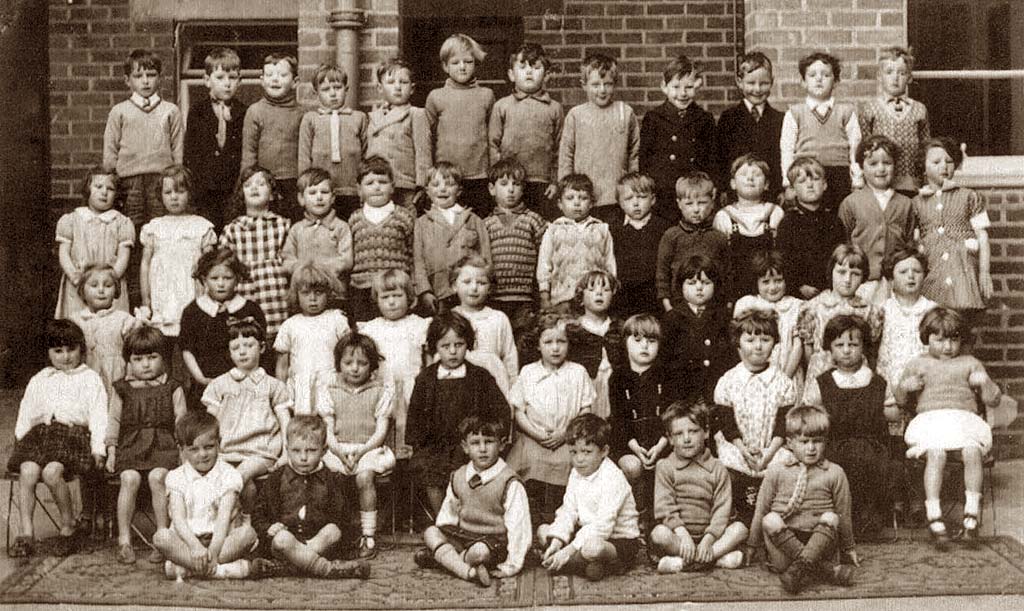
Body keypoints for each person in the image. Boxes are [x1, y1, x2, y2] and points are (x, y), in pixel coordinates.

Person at [896, 308, 1002, 549]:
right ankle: (934, 516)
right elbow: (901, 400)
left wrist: (984, 382)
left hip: (963, 420)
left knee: (971, 451)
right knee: (936, 453)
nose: (947, 347)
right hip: (931, 421)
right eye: (939, 339)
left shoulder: (970, 363)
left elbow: (993, 399)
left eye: (953, 339)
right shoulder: (918, 364)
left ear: (961, 339)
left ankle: (971, 515)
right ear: (927, 338)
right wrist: (906, 387)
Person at [6, 320, 108, 558]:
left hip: (72, 437)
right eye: (58, 351)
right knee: (28, 470)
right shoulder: (41, 378)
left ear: (81, 349)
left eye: (71, 350)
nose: (65, 357)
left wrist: (98, 448)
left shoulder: (90, 378)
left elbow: (98, 416)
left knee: (52, 473)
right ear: (48, 353)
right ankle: (26, 534)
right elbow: (26, 410)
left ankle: (68, 526)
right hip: (40, 435)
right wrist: (21, 438)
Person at [802, 315, 897, 538]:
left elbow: (892, 413)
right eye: (839, 345)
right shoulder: (823, 381)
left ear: (863, 347)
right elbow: (810, 413)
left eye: (853, 344)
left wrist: (876, 409)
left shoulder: (876, 381)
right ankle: (840, 522)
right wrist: (823, 416)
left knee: (870, 461)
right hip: (836, 444)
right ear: (830, 349)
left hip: (871, 444)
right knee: (838, 466)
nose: (846, 350)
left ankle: (868, 521)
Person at [406, 310, 509, 514]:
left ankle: (472, 517)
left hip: (470, 445)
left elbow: (501, 411)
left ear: (468, 344)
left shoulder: (480, 377)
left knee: (475, 465)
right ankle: (443, 519)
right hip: (436, 446)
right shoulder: (426, 379)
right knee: (428, 468)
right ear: (435, 346)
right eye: (445, 346)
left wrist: (486, 435)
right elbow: (415, 417)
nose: (453, 351)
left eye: (459, 344)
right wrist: (418, 444)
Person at [747, 405, 858, 594]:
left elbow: (843, 514)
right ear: (789, 443)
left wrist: (849, 548)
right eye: (804, 441)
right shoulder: (776, 471)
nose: (812, 448)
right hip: (783, 544)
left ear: (826, 442)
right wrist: (752, 544)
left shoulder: (834, 472)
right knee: (770, 519)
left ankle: (799, 570)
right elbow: (761, 510)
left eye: (818, 441)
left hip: (821, 541)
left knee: (831, 517)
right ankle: (825, 571)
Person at [103, 49, 184, 306]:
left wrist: (173, 178)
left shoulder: (170, 110)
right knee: (135, 238)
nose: (146, 81)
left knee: (161, 236)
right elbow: (110, 151)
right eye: (139, 76)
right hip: (130, 184)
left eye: (151, 74)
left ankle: (162, 294)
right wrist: (113, 179)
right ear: (128, 80)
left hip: (161, 182)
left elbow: (178, 149)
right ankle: (137, 300)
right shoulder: (120, 112)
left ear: (160, 77)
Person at [414, 414, 531, 586]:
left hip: (492, 541)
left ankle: (445, 560)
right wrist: (443, 534)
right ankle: (467, 570)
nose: (482, 449)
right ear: (465, 447)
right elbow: (449, 512)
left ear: (502, 445)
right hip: (463, 536)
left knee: (479, 553)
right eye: (475, 443)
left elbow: (519, 527)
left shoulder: (509, 481)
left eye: (489, 442)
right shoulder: (459, 475)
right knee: (430, 532)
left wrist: (511, 565)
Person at [250, 415, 371, 579]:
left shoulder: (332, 479)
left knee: (333, 531)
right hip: (285, 543)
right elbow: (258, 514)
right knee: (282, 539)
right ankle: (327, 569)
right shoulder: (277, 478)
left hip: (319, 542)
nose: (303, 457)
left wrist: (333, 531)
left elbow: (343, 517)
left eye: (311, 450)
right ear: (287, 449)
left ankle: (289, 566)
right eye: (296, 450)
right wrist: (269, 528)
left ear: (324, 450)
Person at [107, 326, 186, 564]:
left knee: (158, 477)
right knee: (129, 478)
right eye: (138, 359)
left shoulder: (173, 387)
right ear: (129, 360)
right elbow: (114, 422)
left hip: (163, 445)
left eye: (152, 357)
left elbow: (181, 423)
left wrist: (183, 452)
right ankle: (124, 541)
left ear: (163, 358)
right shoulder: (122, 388)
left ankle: (162, 538)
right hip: (131, 444)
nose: (146, 364)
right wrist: (112, 451)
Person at [507, 311, 595, 525]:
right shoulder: (528, 372)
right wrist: (536, 433)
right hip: (534, 437)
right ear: (538, 345)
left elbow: (585, 409)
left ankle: (565, 519)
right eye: (548, 342)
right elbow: (519, 411)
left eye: (561, 342)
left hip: (568, 437)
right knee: (525, 464)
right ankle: (532, 520)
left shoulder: (577, 372)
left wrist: (565, 433)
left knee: (574, 462)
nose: (555, 348)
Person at [315, 332, 395, 559]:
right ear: (339, 364)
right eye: (348, 362)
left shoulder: (380, 391)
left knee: (364, 477)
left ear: (372, 366)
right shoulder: (330, 390)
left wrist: (362, 451)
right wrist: (339, 451)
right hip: (338, 447)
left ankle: (368, 535)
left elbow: (381, 431)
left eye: (362, 363)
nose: (355, 368)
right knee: (330, 477)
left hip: (369, 448)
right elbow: (327, 428)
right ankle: (336, 532)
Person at [153, 411, 258, 580]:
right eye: (194, 449)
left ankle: (187, 569)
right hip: (188, 542)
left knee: (248, 534)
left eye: (208, 447)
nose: (202, 454)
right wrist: (195, 547)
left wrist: (214, 553)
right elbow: (178, 519)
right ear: (182, 450)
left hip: (221, 541)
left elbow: (224, 518)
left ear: (219, 444)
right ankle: (223, 571)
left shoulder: (229, 475)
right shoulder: (176, 476)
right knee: (161, 537)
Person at [713, 310, 797, 524]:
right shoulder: (728, 381)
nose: (758, 346)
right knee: (728, 474)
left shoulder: (783, 383)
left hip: (773, 449)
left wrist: (768, 453)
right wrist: (742, 449)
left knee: (784, 472)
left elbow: (783, 426)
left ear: (774, 342)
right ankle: (738, 518)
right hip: (738, 450)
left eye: (765, 339)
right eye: (750, 340)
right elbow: (727, 424)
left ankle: (772, 518)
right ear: (738, 343)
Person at [536, 414, 641, 582]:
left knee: (593, 548)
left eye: (586, 452)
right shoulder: (575, 474)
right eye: (574, 452)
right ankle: (589, 566)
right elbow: (568, 511)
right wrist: (557, 540)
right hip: (586, 532)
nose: (579, 459)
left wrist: (567, 551)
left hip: (617, 540)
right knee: (544, 531)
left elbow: (603, 526)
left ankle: (582, 563)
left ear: (604, 451)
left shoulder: (613, 478)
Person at [202, 318, 291, 508]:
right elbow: (209, 424)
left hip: (261, 452)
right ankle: (246, 523)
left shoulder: (273, 385)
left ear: (262, 347)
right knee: (246, 486)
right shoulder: (219, 384)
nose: (242, 351)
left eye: (249, 345)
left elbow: (285, 422)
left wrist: (286, 453)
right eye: (235, 348)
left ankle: (217, 520)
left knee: (239, 475)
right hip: (227, 452)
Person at [608, 315, 687, 527]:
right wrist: (636, 449)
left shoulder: (667, 375)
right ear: (625, 342)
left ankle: (659, 518)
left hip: (662, 442)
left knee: (664, 466)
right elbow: (619, 420)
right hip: (630, 444)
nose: (645, 346)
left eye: (651, 341)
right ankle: (635, 513)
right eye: (637, 340)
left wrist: (661, 445)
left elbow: (673, 416)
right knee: (633, 467)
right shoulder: (617, 378)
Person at [651, 401, 748, 573]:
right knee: (659, 534)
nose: (687, 438)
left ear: (706, 433)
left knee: (740, 530)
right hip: (679, 536)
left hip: (711, 537)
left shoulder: (717, 467)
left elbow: (722, 510)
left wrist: (708, 539)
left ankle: (685, 563)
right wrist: (682, 534)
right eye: (679, 434)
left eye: (693, 431)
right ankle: (714, 560)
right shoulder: (665, 466)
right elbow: (665, 508)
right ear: (671, 439)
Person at [913, 136, 994, 316]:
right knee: (934, 318)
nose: (944, 166)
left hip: (962, 266)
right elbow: (914, 240)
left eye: (949, 161)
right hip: (933, 269)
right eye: (936, 162)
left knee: (962, 319)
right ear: (923, 167)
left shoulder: (969, 197)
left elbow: (982, 236)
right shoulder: (916, 203)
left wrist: (984, 271)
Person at [178, 247, 266, 408]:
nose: (221, 284)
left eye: (227, 278)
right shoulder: (193, 311)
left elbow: (260, 350)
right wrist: (201, 379)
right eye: (214, 278)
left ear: (238, 279)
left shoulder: (250, 309)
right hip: (207, 384)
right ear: (204, 280)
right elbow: (187, 350)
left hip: (245, 384)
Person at [138, 165, 217, 337]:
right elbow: (145, 264)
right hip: (163, 290)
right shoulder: (154, 227)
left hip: (190, 290)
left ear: (190, 193)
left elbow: (210, 264)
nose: (174, 197)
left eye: (180, 191)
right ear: (160, 195)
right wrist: (146, 300)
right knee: (162, 339)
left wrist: (208, 296)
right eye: (168, 192)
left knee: (191, 336)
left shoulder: (201, 226)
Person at [357, 269, 430, 453]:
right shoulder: (371, 329)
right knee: (383, 432)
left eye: (397, 295)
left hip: (411, 387)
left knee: (411, 431)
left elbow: (428, 360)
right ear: (377, 300)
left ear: (409, 297)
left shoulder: (419, 325)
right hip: (382, 388)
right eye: (385, 297)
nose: (391, 301)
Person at [558, 54, 639, 217]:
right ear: (584, 85)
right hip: (584, 199)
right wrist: (568, 193)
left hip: (617, 198)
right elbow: (566, 156)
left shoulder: (625, 112)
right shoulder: (576, 115)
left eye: (607, 84)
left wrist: (632, 189)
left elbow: (634, 154)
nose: (602, 90)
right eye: (595, 85)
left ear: (615, 84)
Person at [839, 135, 916, 305]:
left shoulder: (906, 204)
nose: (880, 169)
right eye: (873, 164)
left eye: (887, 163)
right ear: (861, 167)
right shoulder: (851, 202)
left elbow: (910, 242)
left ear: (895, 166)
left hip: (896, 282)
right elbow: (844, 243)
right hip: (863, 282)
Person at [488, 42, 563, 219]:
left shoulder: (554, 108)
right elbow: (493, 144)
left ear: (547, 76)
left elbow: (560, 147)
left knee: (541, 226)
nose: (529, 72)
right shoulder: (502, 106)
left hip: (543, 184)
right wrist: (499, 178)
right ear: (511, 74)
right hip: (510, 184)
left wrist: (555, 181)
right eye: (522, 67)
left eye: (535, 67)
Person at [780, 52, 862, 211]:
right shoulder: (795, 113)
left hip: (839, 175)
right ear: (803, 81)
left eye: (825, 75)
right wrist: (788, 182)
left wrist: (857, 180)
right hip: (807, 175)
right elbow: (787, 149)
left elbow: (855, 147)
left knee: (838, 217)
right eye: (812, 75)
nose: (819, 79)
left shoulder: (846, 111)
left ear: (836, 81)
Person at [425, 33, 496, 217]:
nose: (462, 67)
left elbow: (492, 136)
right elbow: (428, 137)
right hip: (446, 180)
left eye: (468, 61)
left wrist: (492, 172)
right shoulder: (436, 97)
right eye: (456, 62)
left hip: (478, 176)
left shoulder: (486, 95)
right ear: (445, 66)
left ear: (475, 64)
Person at [219, 166, 291, 341]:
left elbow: (290, 261)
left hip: (276, 295)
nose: (254, 188)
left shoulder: (283, 225)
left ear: (273, 194)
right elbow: (223, 267)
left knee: (278, 343)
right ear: (241, 195)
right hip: (245, 293)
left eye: (261, 184)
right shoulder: (232, 230)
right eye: (248, 184)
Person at [639, 55, 715, 222]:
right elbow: (645, 161)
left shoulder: (704, 119)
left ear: (697, 87)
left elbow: (711, 160)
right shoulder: (653, 118)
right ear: (664, 87)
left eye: (688, 87)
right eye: (676, 87)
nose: (682, 93)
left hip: (695, 196)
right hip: (664, 195)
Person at [797, 243, 883, 390]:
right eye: (841, 272)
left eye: (855, 274)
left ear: (863, 277)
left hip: (856, 377)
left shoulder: (869, 310)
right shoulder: (813, 307)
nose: (848, 279)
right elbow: (808, 351)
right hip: (821, 375)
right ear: (831, 271)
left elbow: (871, 351)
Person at [55, 167, 134, 319]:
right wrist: (75, 277)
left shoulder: (121, 223)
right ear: (87, 189)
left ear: (116, 194)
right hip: (78, 284)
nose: (104, 192)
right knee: (78, 323)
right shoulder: (72, 220)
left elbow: (124, 256)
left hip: (108, 285)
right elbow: (64, 253)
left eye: (110, 188)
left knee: (111, 322)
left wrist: (112, 278)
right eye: (98, 187)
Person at [483, 158, 548, 341]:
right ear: (491, 189)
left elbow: (545, 256)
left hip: (525, 298)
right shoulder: (486, 224)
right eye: (503, 184)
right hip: (495, 297)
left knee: (524, 339)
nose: (510, 190)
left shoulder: (533, 220)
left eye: (516, 184)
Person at [414, 163, 492, 313]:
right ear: (427, 191)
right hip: (437, 291)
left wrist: (483, 285)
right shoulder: (421, 223)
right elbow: (418, 261)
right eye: (436, 185)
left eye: (449, 184)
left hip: (469, 290)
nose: (443, 189)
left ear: (459, 190)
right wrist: (425, 291)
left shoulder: (473, 219)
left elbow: (486, 257)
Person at [183, 47, 246, 233]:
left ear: (240, 81)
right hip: (205, 190)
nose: (227, 84)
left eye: (232, 78)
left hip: (232, 189)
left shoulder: (244, 112)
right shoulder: (197, 112)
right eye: (220, 78)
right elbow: (190, 152)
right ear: (206, 81)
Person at [274, 263, 350, 415]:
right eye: (306, 293)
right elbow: (282, 365)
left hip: (331, 383)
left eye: (319, 292)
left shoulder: (337, 319)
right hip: (302, 387)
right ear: (296, 295)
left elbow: (348, 353)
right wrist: (281, 392)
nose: (313, 299)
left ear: (329, 293)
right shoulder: (290, 324)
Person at [347, 156, 416, 322]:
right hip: (362, 289)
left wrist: (413, 286)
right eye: (370, 183)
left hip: (395, 288)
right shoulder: (354, 219)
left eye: (382, 182)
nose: (377, 187)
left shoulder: (404, 217)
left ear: (392, 187)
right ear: (359, 189)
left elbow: (413, 254)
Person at [660, 255, 736, 404]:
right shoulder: (672, 318)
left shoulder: (723, 317)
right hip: (682, 391)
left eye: (706, 282)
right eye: (692, 283)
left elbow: (730, 356)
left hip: (715, 389)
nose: (699, 288)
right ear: (681, 286)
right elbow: (665, 359)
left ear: (715, 286)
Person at [536, 173, 616, 312]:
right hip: (562, 299)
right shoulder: (553, 229)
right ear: (560, 203)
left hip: (593, 297)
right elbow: (544, 264)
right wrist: (544, 296)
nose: (577, 203)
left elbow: (610, 264)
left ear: (591, 203)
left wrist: (610, 290)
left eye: (583, 198)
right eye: (570, 198)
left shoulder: (601, 229)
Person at [298, 64, 368, 221]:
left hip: (352, 190)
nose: (333, 93)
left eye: (337, 87)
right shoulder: (311, 119)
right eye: (326, 89)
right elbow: (304, 157)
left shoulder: (359, 118)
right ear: (316, 93)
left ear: (346, 88)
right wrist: (306, 188)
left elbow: (366, 154)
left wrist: (363, 188)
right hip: (321, 192)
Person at [713, 154, 784, 305]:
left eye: (757, 175)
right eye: (744, 174)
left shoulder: (775, 212)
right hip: (736, 289)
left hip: (769, 289)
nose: (750, 178)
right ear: (733, 183)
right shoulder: (724, 216)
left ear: (766, 184)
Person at [858, 47, 930, 194]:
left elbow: (926, 147)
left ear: (909, 77)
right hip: (881, 183)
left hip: (912, 183)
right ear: (880, 76)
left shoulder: (919, 109)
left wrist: (925, 180)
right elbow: (864, 148)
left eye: (902, 73)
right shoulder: (870, 109)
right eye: (889, 72)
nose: (895, 78)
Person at [241, 53, 305, 219]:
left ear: (295, 82)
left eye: (282, 75)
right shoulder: (255, 111)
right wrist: (247, 182)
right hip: (264, 184)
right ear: (262, 80)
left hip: (294, 183)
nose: (275, 80)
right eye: (269, 75)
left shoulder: (301, 114)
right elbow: (249, 153)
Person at [713, 51, 784, 201]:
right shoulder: (729, 118)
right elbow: (720, 157)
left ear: (772, 81)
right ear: (740, 82)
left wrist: (780, 190)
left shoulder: (779, 119)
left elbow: (781, 159)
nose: (757, 89)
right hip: (737, 196)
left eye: (764, 83)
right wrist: (723, 188)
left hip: (771, 195)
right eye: (751, 83)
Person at [776, 156, 847, 300]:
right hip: (799, 293)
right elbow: (783, 260)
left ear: (825, 184)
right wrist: (798, 286)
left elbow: (841, 256)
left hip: (832, 291)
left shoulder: (833, 221)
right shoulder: (788, 223)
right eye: (802, 181)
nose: (809, 185)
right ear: (793, 190)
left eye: (815, 179)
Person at [655, 172, 727, 313]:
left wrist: (726, 306)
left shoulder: (719, 238)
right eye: (689, 203)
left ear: (712, 203)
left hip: (713, 308)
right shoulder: (671, 236)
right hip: (679, 307)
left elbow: (727, 274)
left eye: (702, 203)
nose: (695, 209)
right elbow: (662, 274)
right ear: (679, 204)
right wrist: (668, 307)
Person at [733, 251, 805, 393]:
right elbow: (740, 344)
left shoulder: (797, 306)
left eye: (778, 280)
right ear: (756, 282)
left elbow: (798, 346)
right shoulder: (746, 304)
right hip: (754, 375)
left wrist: (783, 379)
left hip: (789, 373)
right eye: (765, 282)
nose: (772, 287)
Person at [281, 168, 353, 307]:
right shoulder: (297, 229)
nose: (319, 197)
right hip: (305, 294)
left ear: (333, 197)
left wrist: (322, 274)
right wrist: (303, 271)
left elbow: (346, 260)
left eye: (324, 192)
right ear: (301, 199)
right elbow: (287, 260)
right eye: (312, 193)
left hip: (334, 294)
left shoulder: (341, 227)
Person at [367, 57, 431, 211]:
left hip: (404, 185)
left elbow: (423, 152)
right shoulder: (372, 117)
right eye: (391, 82)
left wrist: (422, 185)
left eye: (403, 82)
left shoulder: (416, 114)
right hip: (378, 184)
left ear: (412, 88)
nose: (397, 87)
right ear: (380, 88)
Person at [70, 264, 141, 403]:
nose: (101, 290)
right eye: (94, 285)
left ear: (116, 290)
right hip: (86, 374)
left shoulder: (124, 319)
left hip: (116, 375)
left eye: (108, 286)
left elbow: (135, 351)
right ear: (82, 291)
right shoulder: (75, 320)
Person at [608, 173, 673, 318]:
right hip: (624, 297)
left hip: (654, 297)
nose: (636, 203)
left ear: (653, 199)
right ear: (620, 202)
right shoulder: (614, 230)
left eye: (642, 197)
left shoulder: (664, 228)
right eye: (629, 198)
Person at [452, 255, 518, 395]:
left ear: (490, 288)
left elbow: (510, 359)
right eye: (467, 282)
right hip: (458, 388)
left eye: (481, 283)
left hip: (494, 388)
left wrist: (513, 391)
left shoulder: (498, 319)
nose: (474, 288)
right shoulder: (449, 318)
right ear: (454, 286)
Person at [876, 249, 936, 397]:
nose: (911, 276)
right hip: (890, 382)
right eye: (903, 272)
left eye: (916, 271)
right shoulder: (882, 310)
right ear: (891, 278)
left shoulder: (932, 310)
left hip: (925, 383)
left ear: (924, 275)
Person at [568, 270, 626, 419]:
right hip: (586, 389)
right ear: (581, 298)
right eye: (592, 289)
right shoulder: (573, 329)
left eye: (606, 290)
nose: (599, 293)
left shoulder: (620, 328)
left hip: (614, 387)